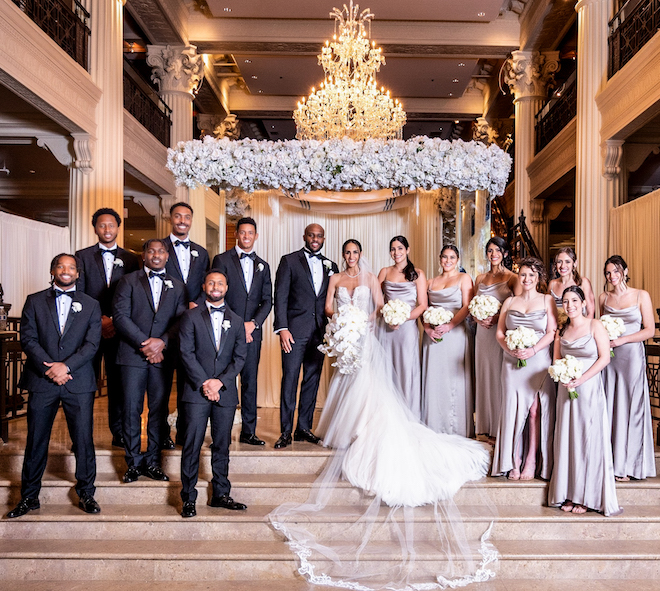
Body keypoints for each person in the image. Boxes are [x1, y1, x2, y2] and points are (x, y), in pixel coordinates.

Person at [270, 239, 494, 589]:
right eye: (347, 253)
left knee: (376, 384)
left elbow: (379, 306)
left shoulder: (382, 276)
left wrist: (374, 319)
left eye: (355, 253)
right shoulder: (335, 278)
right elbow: (329, 308)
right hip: (349, 335)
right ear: (343, 255)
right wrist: (344, 320)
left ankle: (371, 424)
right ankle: (340, 428)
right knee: (346, 385)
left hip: (378, 333)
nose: (351, 257)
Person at [7, 254, 102, 518]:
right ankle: (29, 497)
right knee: (37, 440)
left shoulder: (91, 304)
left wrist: (66, 366)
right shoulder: (34, 301)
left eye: (71, 267)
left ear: (78, 273)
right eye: (61, 266)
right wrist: (50, 368)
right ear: (52, 270)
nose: (66, 270)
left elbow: (92, 344)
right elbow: (28, 339)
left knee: (83, 440)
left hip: (78, 381)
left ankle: (86, 493)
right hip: (42, 380)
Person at [112, 239, 187, 484]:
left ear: (167, 256)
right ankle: (133, 463)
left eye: (161, 251)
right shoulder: (127, 281)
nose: (156, 255)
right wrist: (146, 344)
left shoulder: (177, 285)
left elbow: (180, 320)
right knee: (131, 410)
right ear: (144, 255)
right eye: (151, 251)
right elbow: (120, 317)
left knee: (159, 410)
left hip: (162, 358)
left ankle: (154, 462)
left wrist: (162, 342)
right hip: (132, 355)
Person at [178, 270, 248, 518]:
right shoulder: (189, 316)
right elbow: (186, 353)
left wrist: (219, 383)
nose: (216, 286)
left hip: (225, 393)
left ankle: (220, 494)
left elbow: (240, 358)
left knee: (222, 445)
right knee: (192, 444)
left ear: (227, 288)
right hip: (196, 392)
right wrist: (205, 383)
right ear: (204, 286)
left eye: (220, 283)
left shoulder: (237, 321)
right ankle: (188, 497)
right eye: (211, 282)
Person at [548, 286, 622, 516]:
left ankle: (586, 496)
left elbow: (604, 358)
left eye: (573, 301)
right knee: (568, 440)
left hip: (588, 388)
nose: (569, 305)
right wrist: (563, 375)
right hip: (566, 390)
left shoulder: (595, 325)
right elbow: (556, 359)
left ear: (582, 303)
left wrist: (581, 379)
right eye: (565, 302)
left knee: (587, 439)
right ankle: (568, 493)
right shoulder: (562, 330)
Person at [76, 208, 140, 447]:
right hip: (89, 331)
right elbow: (79, 294)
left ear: (117, 228)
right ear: (95, 228)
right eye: (102, 225)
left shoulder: (132, 259)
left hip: (119, 329)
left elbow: (134, 294)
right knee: (85, 385)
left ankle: (119, 433)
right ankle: (82, 436)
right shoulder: (81, 256)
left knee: (118, 384)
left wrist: (114, 319)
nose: (107, 230)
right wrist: (99, 319)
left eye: (111, 225)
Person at [273, 223, 338, 449]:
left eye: (319, 235)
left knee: (312, 380)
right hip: (293, 331)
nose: (315, 238)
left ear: (324, 238)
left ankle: (303, 428)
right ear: (304, 236)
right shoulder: (289, 261)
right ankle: (285, 431)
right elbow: (279, 297)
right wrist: (282, 329)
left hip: (319, 333)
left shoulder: (332, 265)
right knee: (289, 379)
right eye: (311, 235)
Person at [491, 257, 557, 480]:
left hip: (537, 361)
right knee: (512, 409)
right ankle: (513, 459)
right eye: (523, 275)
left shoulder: (547, 300)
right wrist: (509, 349)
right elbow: (500, 333)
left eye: (531, 275)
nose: (527, 279)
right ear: (518, 277)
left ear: (538, 278)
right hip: (511, 362)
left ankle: (531, 459)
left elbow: (552, 332)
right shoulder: (509, 302)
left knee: (534, 410)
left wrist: (533, 350)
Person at [212, 217, 272, 446]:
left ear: (256, 236)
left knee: (250, 381)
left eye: (251, 233)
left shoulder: (263, 266)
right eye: (243, 232)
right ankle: (221, 433)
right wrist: (239, 325)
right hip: (226, 329)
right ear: (236, 234)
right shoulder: (221, 259)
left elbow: (268, 301)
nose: (246, 236)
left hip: (253, 333)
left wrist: (253, 324)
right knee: (224, 377)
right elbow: (216, 293)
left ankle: (249, 432)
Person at [599, 255, 656, 481]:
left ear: (625, 270)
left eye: (615, 271)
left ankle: (630, 465)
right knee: (612, 405)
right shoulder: (604, 297)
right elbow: (599, 327)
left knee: (632, 406)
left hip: (631, 355)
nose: (612, 276)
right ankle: (612, 461)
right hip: (610, 358)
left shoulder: (641, 295)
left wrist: (623, 340)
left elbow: (649, 330)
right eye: (608, 273)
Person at [162, 201, 210, 449]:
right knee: (160, 383)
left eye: (187, 217)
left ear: (191, 221)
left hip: (192, 328)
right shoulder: (158, 249)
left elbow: (207, 285)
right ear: (170, 219)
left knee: (187, 382)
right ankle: (161, 434)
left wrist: (197, 304)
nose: (182, 220)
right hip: (162, 328)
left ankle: (183, 433)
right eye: (178, 216)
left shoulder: (201, 253)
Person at [421, 245, 475, 437]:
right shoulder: (430, 282)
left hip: (456, 334)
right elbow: (423, 308)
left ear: (458, 260)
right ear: (439, 258)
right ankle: (434, 425)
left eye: (452, 257)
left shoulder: (463, 278)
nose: (448, 260)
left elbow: (468, 305)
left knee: (453, 379)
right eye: (445, 257)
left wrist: (450, 325)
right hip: (433, 336)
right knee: (435, 379)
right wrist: (427, 328)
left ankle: (456, 427)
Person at [472, 237, 520, 441]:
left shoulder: (513, 278)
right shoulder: (480, 279)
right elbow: (473, 305)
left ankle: (500, 426)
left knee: (500, 377)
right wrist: (477, 317)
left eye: (498, 250)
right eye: (490, 250)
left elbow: (518, 308)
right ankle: (485, 426)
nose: (493, 254)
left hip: (499, 333)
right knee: (484, 376)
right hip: (482, 334)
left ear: (505, 253)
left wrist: (498, 317)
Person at [377, 236, 427, 419]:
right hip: (386, 329)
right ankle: (387, 414)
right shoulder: (384, 272)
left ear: (407, 249)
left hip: (407, 329)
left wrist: (402, 317)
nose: (396, 252)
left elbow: (422, 305)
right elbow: (376, 301)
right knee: (386, 368)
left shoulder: (418, 274)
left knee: (406, 369)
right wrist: (388, 315)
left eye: (399, 248)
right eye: (393, 249)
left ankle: (408, 415)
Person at [548, 247, 595, 317]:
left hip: (580, 326)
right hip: (557, 326)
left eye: (567, 262)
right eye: (559, 262)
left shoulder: (583, 283)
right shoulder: (552, 284)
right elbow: (548, 311)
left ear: (575, 264)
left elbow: (590, 313)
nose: (563, 266)